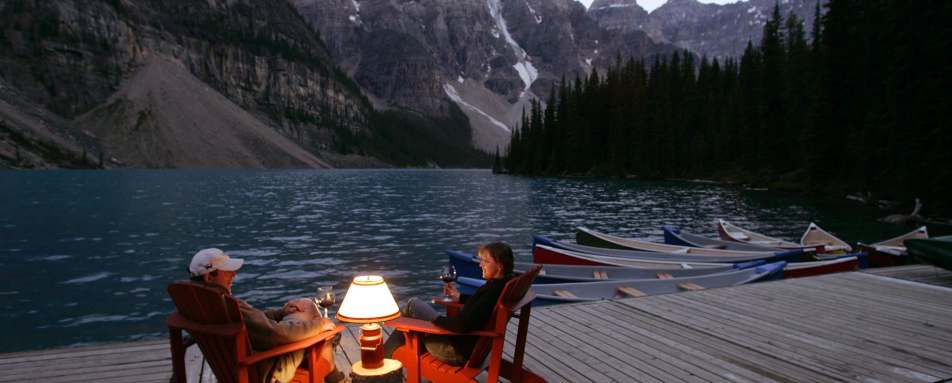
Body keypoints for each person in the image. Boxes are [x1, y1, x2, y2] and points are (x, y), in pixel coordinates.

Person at [187, 248, 348, 383]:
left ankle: (332, 366)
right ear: (209, 276)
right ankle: (334, 373)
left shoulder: (198, 304)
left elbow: (251, 324)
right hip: (265, 368)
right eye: (227, 271)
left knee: (305, 305)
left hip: (240, 362)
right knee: (323, 334)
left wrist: (280, 313)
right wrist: (319, 326)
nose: (233, 275)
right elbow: (275, 334)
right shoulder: (228, 305)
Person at [382, 241, 515, 366]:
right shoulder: (503, 285)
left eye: (485, 261)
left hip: (454, 350)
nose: (480, 265)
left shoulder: (493, 291)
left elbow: (462, 325)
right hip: (470, 345)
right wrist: (459, 297)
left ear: (500, 266)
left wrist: (436, 320)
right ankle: (385, 357)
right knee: (410, 320)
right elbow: (480, 306)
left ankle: (381, 360)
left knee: (412, 307)